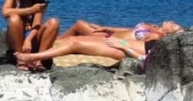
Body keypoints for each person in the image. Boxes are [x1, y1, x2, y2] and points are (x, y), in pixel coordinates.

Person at [1, 0, 60, 71]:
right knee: (14, 18)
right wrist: (30, 10)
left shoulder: (38, 0)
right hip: (17, 34)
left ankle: (39, 60)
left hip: (32, 36)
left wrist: (28, 40)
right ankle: (21, 59)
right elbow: (5, 12)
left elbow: (37, 23)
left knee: (54, 22)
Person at [15, 34, 160, 67]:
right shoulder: (166, 40)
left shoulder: (171, 49)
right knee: (72, 39)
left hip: (124, 51)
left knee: (76, 43)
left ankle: (34, 57)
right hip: (123, 43)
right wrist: (120, 41)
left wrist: (123, 46)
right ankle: (39, 53)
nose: (173, 24)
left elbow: (145, 59)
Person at [60, 19, 183, 41]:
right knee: (79, 25)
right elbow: (130, 30)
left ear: (168, 33)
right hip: (110, 35)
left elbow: (134, 42)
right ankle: (55, 41)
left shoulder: (156, 35)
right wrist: (106, 28)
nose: (172, 22)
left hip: (108, 40)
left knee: (77, 29)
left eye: (173, 26)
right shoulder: (154, 27)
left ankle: (54, 42)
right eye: (174, 23)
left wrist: (120, 44)